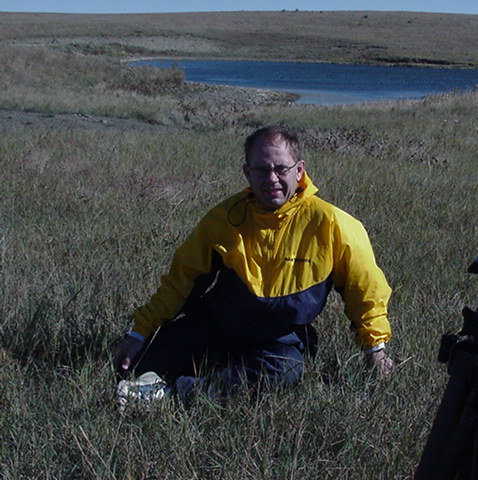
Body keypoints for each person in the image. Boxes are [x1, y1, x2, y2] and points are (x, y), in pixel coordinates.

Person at [113, 125, 393, 405]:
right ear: (247, 173)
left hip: (278, 342)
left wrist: (375, 350)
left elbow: (365, 292)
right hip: (218, 328)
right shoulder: (223, 218)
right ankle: (176, 384)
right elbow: (180, 283)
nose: (272, 179)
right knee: (135, 362)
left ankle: (178, 393)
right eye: (261, 170)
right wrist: (140, 332)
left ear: (299, 170)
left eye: (281, 168)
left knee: (285, 372)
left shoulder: (334, 225)